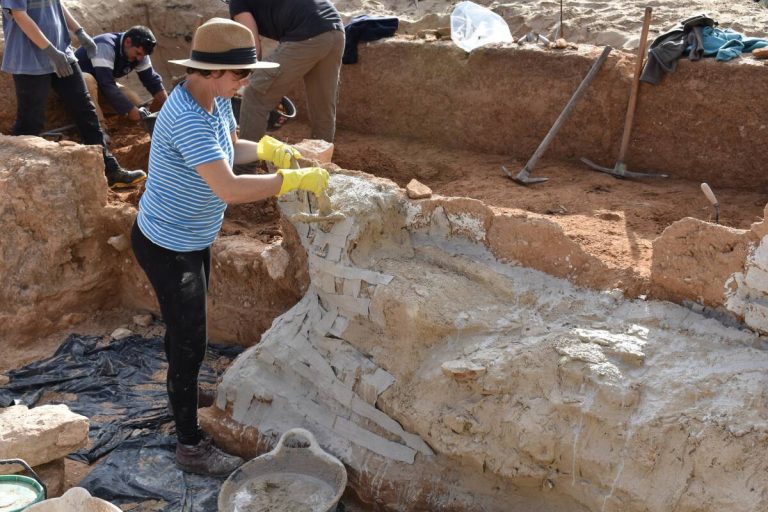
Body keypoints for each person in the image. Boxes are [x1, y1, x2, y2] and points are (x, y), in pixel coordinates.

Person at [130, 17, 330, 476]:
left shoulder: (215, 101)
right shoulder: (186, 117)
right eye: (241, 75)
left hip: (191, 237)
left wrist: (267, 149)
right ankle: (189, 445)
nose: (245, 82)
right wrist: (291, 179)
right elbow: (229, 188)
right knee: (189, 340)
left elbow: (231, 148)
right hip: (167, 245)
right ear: (213, 71)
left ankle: (184, 384)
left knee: (188, 334)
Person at [0, 0, 146, 188]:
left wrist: (79, 31)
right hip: (30, 59)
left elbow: (57, 4)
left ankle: (108, 168)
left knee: (85, 109)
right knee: (31, 120)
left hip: (62, 53)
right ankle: (11, 178)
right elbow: (19, 15)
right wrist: (50, 51)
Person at [227, 0, 345, 143]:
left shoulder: (237, 3)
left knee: (255, 94)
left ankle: (245, 164)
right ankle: (321, 158)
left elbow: (252, 45)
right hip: (335, 29)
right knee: (322, 104)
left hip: (307, 32)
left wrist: (249, 76)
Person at [76, 25, 168, 125]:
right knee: (87, 79)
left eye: (143, 55)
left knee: (137, 105)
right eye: (137, 53)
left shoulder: (140, 53)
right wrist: (130, 110)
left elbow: (151, 80)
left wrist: (167, 104)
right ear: (127, 42)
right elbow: (106, 83)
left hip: (101, 86)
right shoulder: (105, 45)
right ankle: (99, 128)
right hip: (76, 87)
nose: (139, 59)